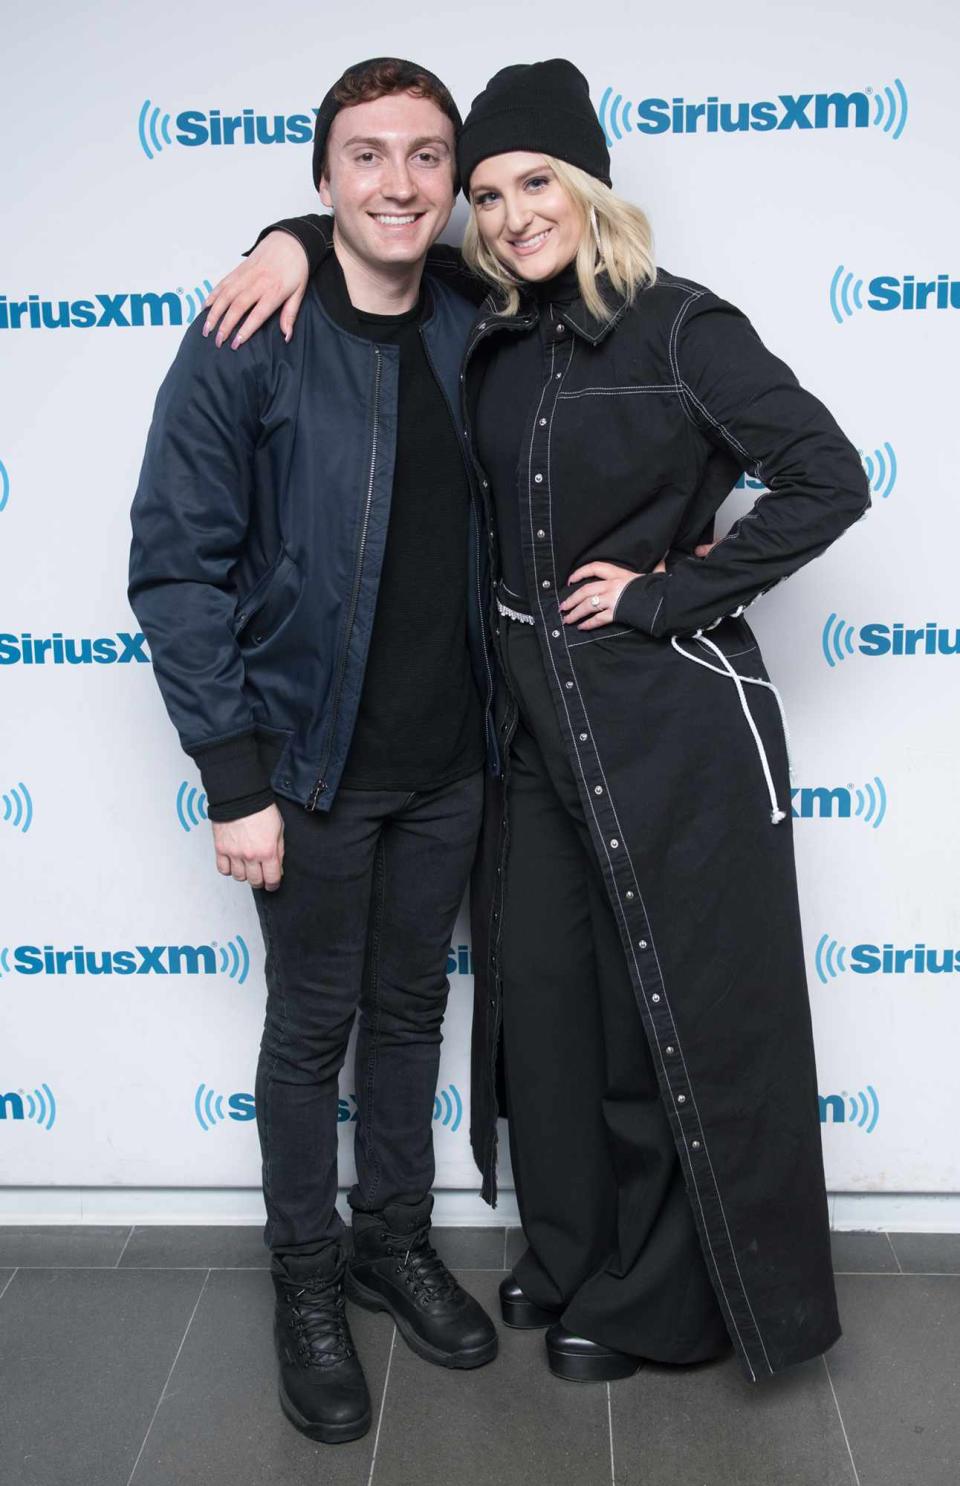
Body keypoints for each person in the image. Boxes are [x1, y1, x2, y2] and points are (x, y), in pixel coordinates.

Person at [204, 59, 870, 1386]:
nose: (508, 213)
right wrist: (282, 235)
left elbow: (826, 475)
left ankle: (659, 1296)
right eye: (491, 190)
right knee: (549, 1019)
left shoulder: (685, 329)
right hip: (527, 743)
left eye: (536, 183)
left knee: (654, 1025)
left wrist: (670, 593)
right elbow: (357, 259)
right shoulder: (482, 323)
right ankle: (572, 1252)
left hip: (668, 737)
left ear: (591, 186)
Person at [127, 58, 500, 1447]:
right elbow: (175, 565)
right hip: (309, 766)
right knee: (311, 1033)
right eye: (365, 155)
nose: (397, 182)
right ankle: (303, 1284)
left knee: (411, 1019)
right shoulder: (250, 332)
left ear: (452, 178)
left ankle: (388, 1242)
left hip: (455, 761)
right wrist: (236, 776)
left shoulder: (479, 317)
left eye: (424, 155)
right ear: (322, 175)